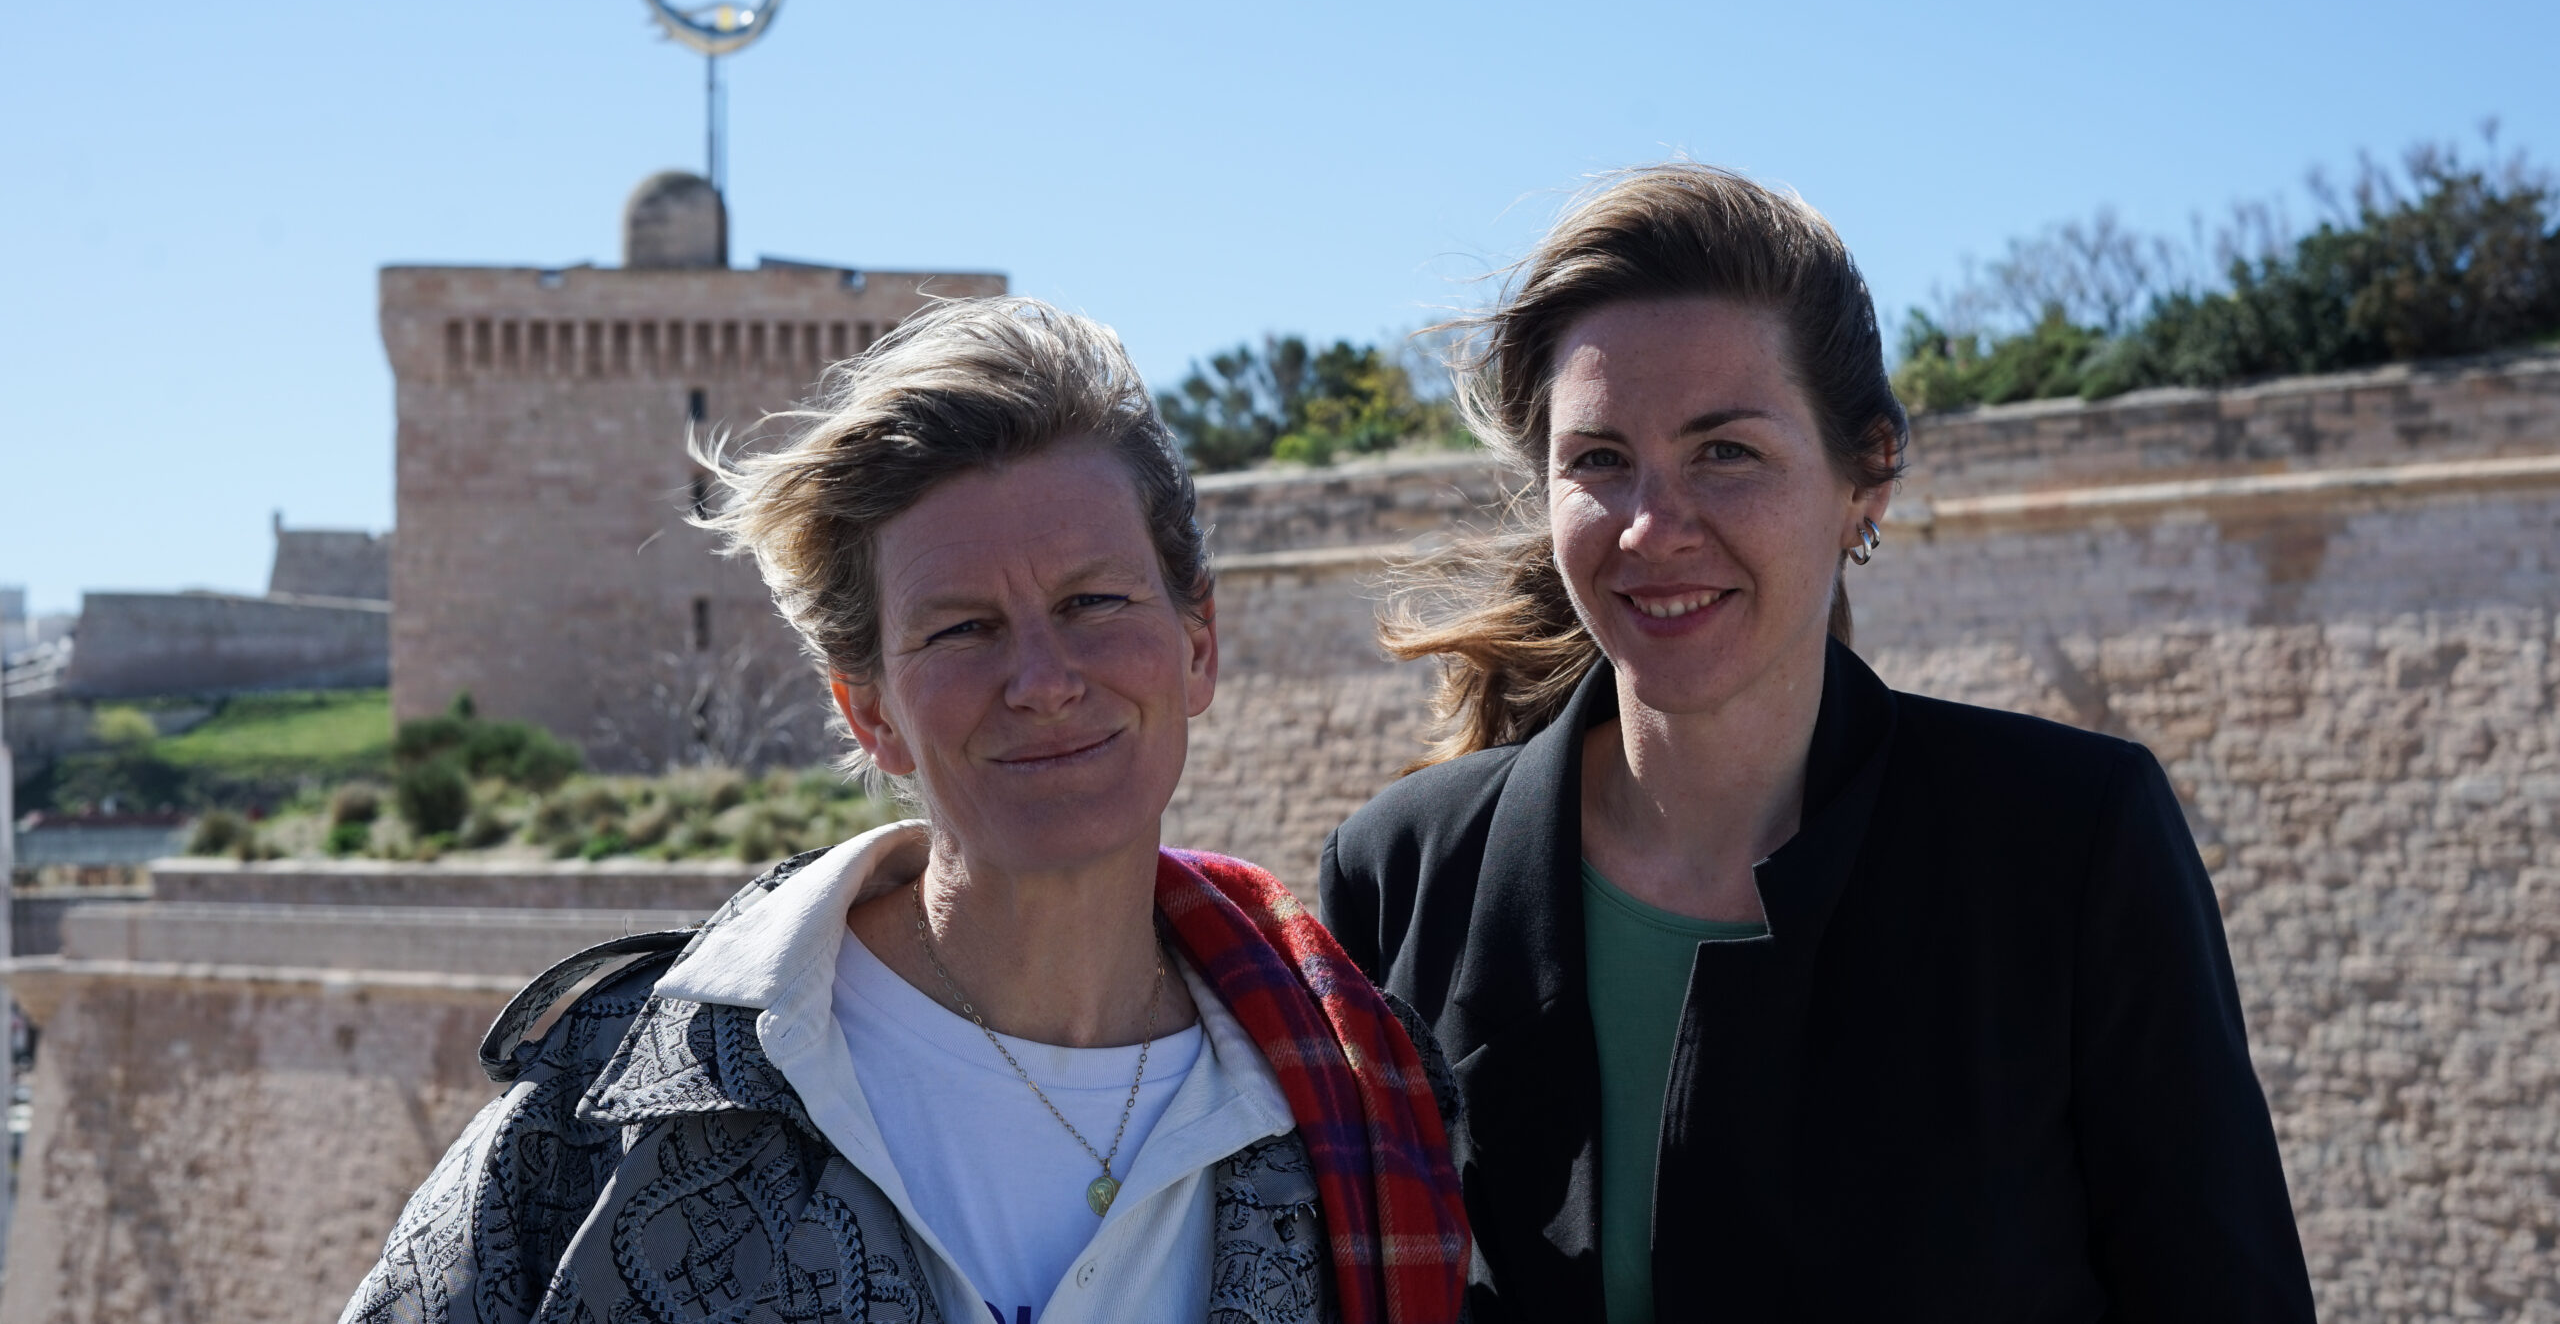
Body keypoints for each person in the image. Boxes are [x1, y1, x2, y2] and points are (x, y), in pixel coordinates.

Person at [343, 298, 1467, 1324]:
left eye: (1094, 601)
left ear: (1198, 645)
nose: (1042, 678)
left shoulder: (1366, 1102)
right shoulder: (607, 1121)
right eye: (961, 628)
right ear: (868, 709)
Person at [1319, 166, 2317, 1322]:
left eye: (1725, 452)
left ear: (1868, 477)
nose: (1651, 525)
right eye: (1598, 461)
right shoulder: (1399, 876)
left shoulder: (2066, 844)